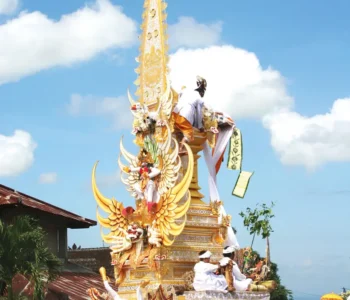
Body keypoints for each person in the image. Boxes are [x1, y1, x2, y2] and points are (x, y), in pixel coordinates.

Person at [173, 76, 207, 150]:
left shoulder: (185, 91)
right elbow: (199, 114)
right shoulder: (199, 99)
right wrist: (200, 127)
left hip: (175, 114)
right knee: (189, 134)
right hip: (184, 117)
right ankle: (180, 149)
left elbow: (179, 94)